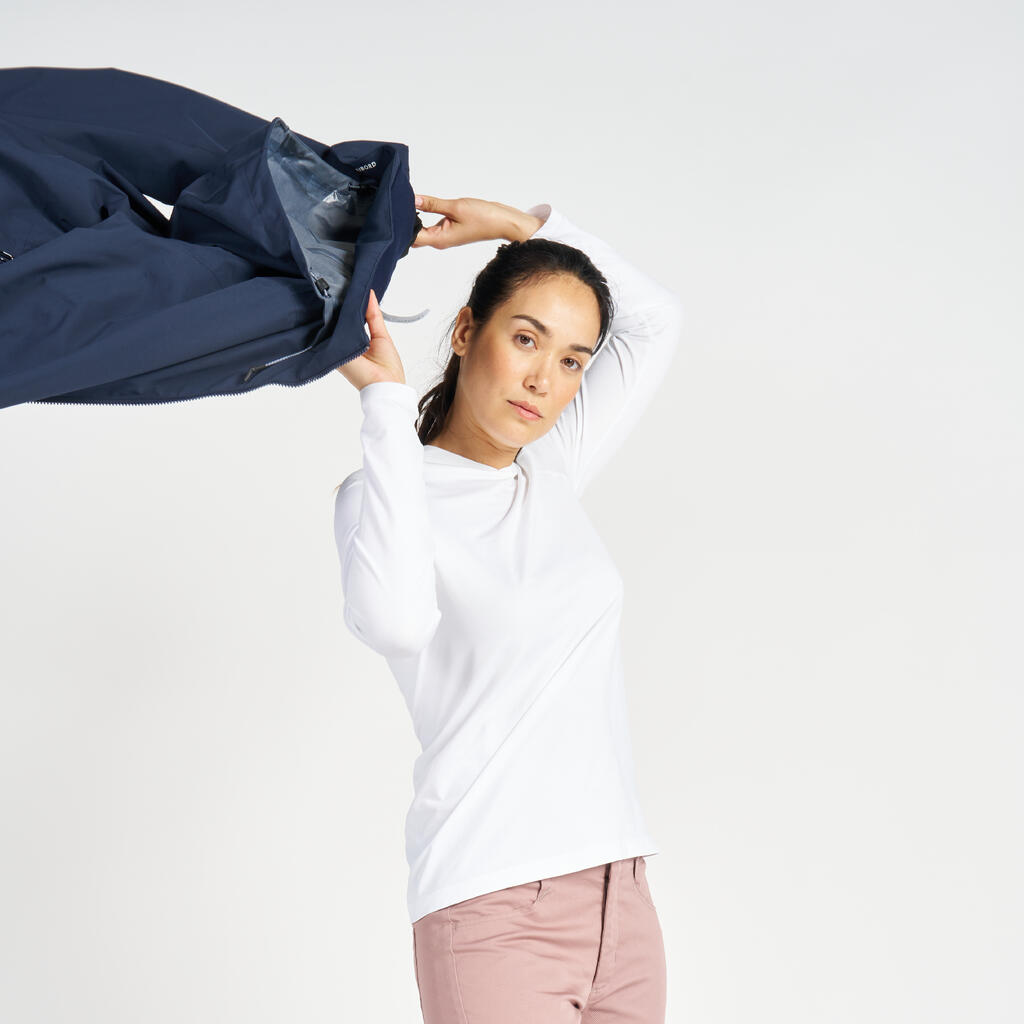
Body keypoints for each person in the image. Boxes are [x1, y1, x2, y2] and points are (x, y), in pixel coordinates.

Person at [333, 193, 683, 1023]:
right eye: (526, 338)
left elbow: (658, 319)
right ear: (465, 332)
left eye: (571, 361)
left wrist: (524, 231)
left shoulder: (550, 470)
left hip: (621, 901)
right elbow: (393, 624)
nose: (543, 380)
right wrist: (383, 405)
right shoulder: (387, 493)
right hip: (492, 903)